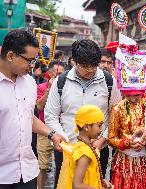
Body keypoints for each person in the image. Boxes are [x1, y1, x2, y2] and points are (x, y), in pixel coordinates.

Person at [44, 39, 122, 188]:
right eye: (85, 66)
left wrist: (102, 140)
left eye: (94, 65)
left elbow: (116, 116)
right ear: (74, 62)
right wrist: (63, 138)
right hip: (67, 150)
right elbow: (51, 115)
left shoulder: (108, 81)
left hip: (98, 149)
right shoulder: (61, 82)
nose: (91, 70)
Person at [0, 29, 64, 188]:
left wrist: (52, 134)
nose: (32, 66)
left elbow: (28, 116)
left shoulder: (29, 83)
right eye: (29, 60)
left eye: (34, 60)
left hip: (27, 171)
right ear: (10, 56)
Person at [108, 92, 146, 189]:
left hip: (144, 161)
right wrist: (127, 143)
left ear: (142, 91)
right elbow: (111, 139)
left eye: (137, 95)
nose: (132, 99)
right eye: (128, 95)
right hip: (124, 162)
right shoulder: (117, 108)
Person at [57, 105, 113, 189]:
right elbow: (77, 185)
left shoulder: (83, 146)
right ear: (86, 127)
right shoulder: (84, 153)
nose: (101, 129)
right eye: (99, 125)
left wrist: (101, 182)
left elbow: (88, 175)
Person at [36, 61, 65, 189]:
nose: (61, 76)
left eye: (63, 74)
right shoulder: (41, 87)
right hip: (44, 130)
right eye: (58, 73)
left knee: (62, 165)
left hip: (62, 131)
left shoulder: (66, 86)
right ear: (50, 74)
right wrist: (49, 89)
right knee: (42, 166)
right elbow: (39, 106)